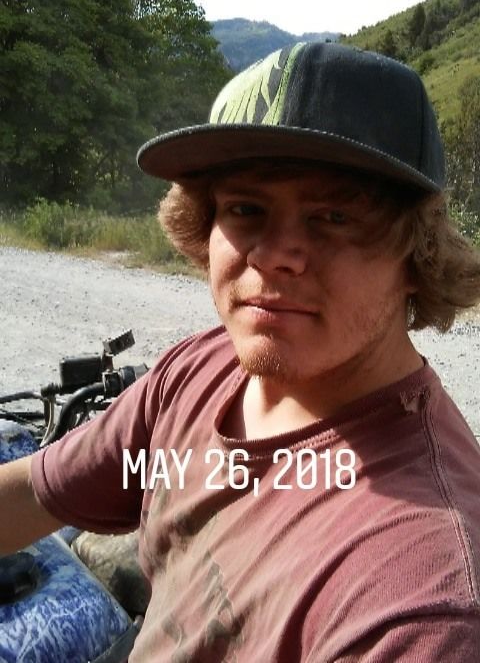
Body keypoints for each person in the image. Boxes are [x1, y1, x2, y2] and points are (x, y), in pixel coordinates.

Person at [2, 42, 480, 661]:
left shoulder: (422, 602)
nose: (273, 253)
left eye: (335, 215)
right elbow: (36, 490)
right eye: (246, 208)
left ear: (417, 253)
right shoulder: (197, 372)